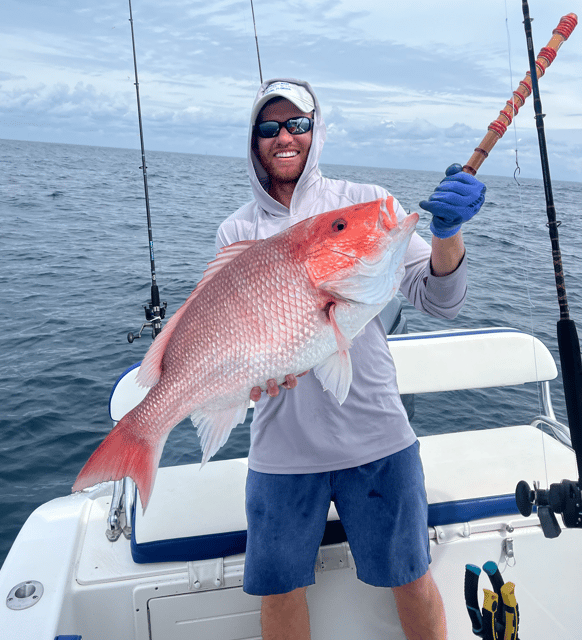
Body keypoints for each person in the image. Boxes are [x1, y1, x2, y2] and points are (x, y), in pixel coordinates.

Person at [215, 78, 486, 640]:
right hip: (280, 449)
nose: (283, 137)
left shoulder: (365, 206)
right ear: (253, 141)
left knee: (411, 576)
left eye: (297, 124)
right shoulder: (239, 230)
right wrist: (248, 378)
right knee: (279, 592)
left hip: (377, 434)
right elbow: (238, 335)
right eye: (269, 127)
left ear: (317, 131)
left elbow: (441, 299)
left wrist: (449, 235)